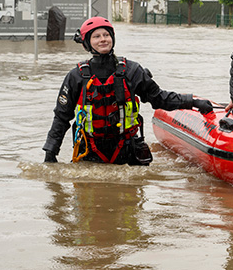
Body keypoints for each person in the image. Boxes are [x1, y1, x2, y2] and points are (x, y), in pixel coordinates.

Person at [43, 17, 213, 165]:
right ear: (86, 43)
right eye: (96, 36)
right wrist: (50, 153)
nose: (103, 39)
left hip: (126, 149)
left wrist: (193, 102)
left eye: (106, 35)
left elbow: (159, 98)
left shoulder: (132, 70)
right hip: (90, 151)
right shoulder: (76, 76)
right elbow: (61, 118)